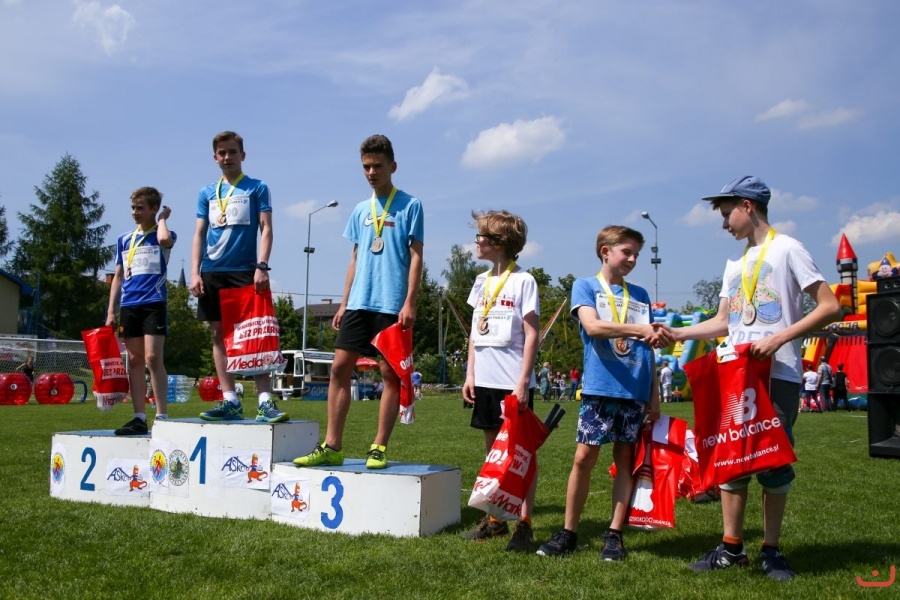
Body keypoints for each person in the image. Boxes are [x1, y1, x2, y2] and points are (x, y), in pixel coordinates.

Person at [665, 176, 840, 581]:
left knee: (772, 462)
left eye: (728, 214)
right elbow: (723, 322)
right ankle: (731, 549)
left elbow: (829, 306)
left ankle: (772, 551)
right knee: (732, 460)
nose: (724, 224)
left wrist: (779, 338)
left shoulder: (788, 249)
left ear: (748, 206)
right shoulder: (734, 263)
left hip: (778, 374)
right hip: (736, 375)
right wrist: (676, 333)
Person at [537, 225, 669, 561]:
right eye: (627, 252)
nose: (633, 259)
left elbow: (649, 349)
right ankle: (569, 532)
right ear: (605, 251)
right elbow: (593, 326)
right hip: (600, 387)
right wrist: (639, 328)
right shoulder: (585, 286)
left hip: (635, 389)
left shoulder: (640, 294)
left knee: (625, 460)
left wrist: (654, 395)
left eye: (636, 254)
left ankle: (614, 534)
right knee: (584, 458)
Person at [294, 134, 424, 470]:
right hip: (358, 303)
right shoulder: (360, 210)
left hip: (392, 304)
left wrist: (410, 302)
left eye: (377, 166)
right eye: (366, 166)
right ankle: (332, 445)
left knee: (389, 375)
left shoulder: (411, 205)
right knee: (339, 368)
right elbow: (355, 257)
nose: (371, 172)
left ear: (392, 166)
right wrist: (343, 303)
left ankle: (378, 446)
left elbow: (416, 256)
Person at [190, 131, 286, 424]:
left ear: (242, 155)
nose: (227, 157)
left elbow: (266, 228)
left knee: (255, 333)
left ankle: (265, 402)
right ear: (215, 157)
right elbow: (199, 233)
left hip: (246, 270)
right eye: (222, 152)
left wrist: (262, 265)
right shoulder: (207, 192)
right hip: (212, 271)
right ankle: (230, 399)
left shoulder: (257, 187)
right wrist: (194, 272)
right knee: (218, 334)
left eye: (232, 151)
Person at [460, 210, 540, 552]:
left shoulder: (524, 281)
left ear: (500, 242)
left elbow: (533, 334)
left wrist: (522, 382)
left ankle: (525, 523)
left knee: (521, 455)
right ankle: (495, 520)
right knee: (493, 451)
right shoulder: (481, 281)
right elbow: (474, 332)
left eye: (482, 236)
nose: (477, 241)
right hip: (485, 380)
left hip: (513, 382)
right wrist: (470, 374)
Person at [106, 187, 176, 435]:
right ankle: (138, 418)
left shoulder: (163, 233)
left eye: (140, 208)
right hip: (129, 305)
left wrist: (163, 219)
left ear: (153, 209)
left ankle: (162, 416)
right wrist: (111, 311)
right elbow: (118, 276)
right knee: (134, 360)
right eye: (133, 208)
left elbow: (165, 241)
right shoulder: (124, 239)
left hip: (153, 303)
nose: (135, 212)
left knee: (153, 357)